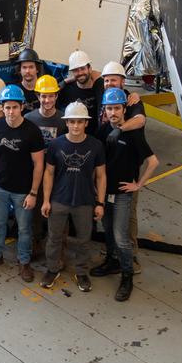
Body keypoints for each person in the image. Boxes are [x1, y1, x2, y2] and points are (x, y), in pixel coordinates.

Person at [91, 88, 158, 300]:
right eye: (109, 108)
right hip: (104, 192)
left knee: (121, 237)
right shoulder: (102, 132)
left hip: (121, 194)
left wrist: (138, 185)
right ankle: (112, 262)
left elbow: (153, 162)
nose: (113, 113)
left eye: (117, 108)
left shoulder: (133, 134)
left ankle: (127, 274)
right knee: (108, 230)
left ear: (123, 109)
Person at [0, 84, 44, 280]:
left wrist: (33, 193)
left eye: (15, 107)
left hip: (23, 190)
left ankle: (24, 261)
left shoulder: (32, 131)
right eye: (7, 107)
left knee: (24, 228)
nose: (11, 111)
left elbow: (39, 164)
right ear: (2, 107)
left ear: (22, 107)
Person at [40, 102, 106, 293]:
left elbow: (101, 176)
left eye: (80, 122)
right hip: (59, 200)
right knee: (53, 238)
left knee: (84, 240)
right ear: (66, 123)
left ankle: (81, 272)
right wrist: (46, 200)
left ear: (86, 123)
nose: (76, 126)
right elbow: (49, 173)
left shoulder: (96, 146)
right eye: (72, 122)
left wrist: (100, 203)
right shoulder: (55, 144)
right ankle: (52, 269)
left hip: (85, 202)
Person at [23, 74, 65, 257]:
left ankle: (58, 251)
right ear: (38, 96)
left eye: (50, 96)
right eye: (43, 96)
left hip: (59, 175)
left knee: (58, 213)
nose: (47, 100)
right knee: (35, 213)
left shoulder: (65, 120)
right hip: (36, 174)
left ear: (56, 96)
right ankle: (35, 244)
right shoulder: (29, 119)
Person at [57, 50, 104, 134]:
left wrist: (134, 95)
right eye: (76, 70)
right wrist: (64, 82)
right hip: (71, 137)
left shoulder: (98, 89)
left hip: (93, 138)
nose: (80, 73)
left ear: (90, 69)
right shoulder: (67, 89)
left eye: (82, 68)